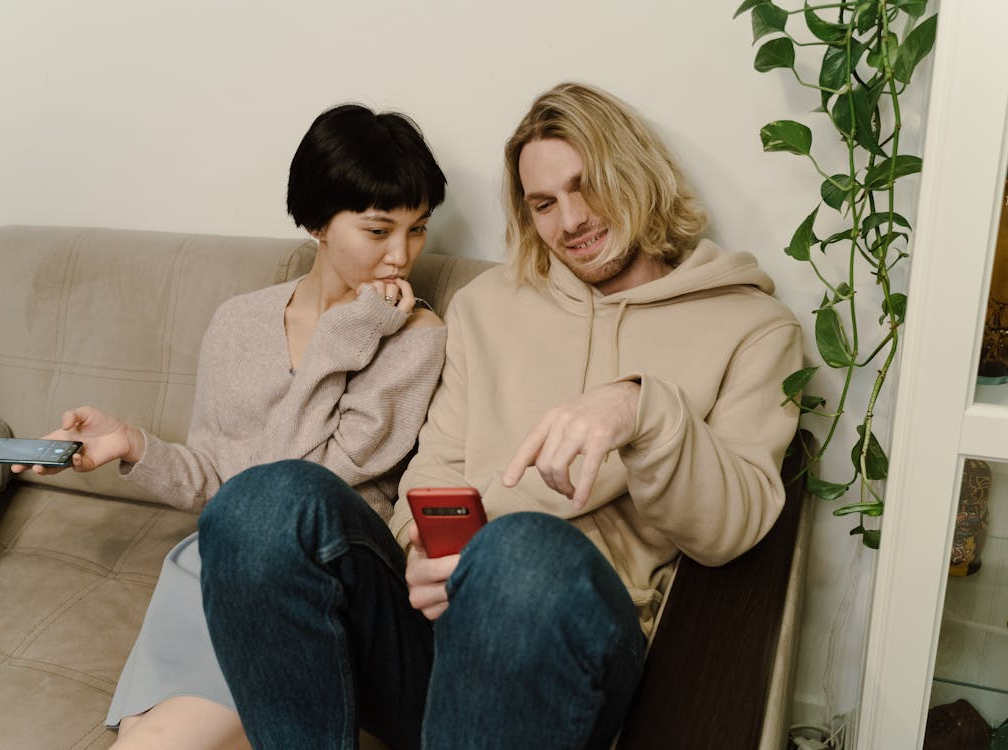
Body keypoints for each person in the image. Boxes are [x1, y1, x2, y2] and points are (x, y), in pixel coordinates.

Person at [198, 81, 803, 749]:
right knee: (258, 500)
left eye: (587, 186)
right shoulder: (488, 306)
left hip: (570, 647)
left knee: (518, 552)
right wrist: (420, 552)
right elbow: (434, 472)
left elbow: (732, 528)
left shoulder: (752, 327)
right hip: (434, 631)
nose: (570, 222)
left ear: (641, 175)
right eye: (543, 204)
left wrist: (643, 409)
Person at [12, 103, 449, 750]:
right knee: (145, 737)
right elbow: (224, 487)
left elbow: (293, 492)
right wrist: (131, 442)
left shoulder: (415, 336)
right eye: (378, 230)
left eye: (417, 230)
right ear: (314, 222)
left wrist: (342, 338)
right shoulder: (238, 322)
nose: (400, 257)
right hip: (215, 562)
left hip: (315, 585)